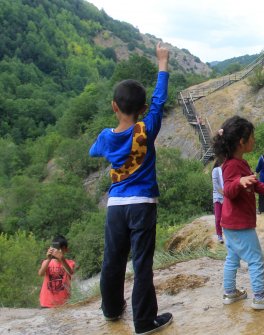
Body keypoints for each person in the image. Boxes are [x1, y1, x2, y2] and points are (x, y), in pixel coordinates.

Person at [89, 43, 173, 334]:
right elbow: (160, 99)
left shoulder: (105, 136)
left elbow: (93, 151)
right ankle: (144, 321)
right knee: (141, 264)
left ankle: (111, 310)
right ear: (143, 109)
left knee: (112, 260)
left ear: (114, 107)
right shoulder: (147, 128)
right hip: (143, 205)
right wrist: (162, 63)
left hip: (116, 206)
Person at [212, 115, 264, 310]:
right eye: (252, 137)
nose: (254, 140)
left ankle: (230, 293)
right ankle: (259, 297)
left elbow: (257, 186)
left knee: (232, 257)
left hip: (230, 222)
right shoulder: (232, 165)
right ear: (242, 142)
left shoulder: (241, 163)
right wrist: (239, 183)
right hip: (240, 223)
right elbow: (229, 192)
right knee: (256, 259)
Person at [38, 235, 75, 308]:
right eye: (57, 248)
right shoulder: (47, 262)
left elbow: (70, 272)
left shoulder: (70, 263)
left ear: (66, 249)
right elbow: (40, 273)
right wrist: (48, 258)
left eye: (62, 249)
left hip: (64, 302)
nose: (59, 251)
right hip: (46, 302)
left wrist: (62, 259)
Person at [212, 158, 224, 243]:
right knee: (218, 218)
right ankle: (219, 235)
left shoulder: (227, 169)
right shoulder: (215, 170)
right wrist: (224, 193)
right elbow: (215, 184)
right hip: (218, 197)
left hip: (227, 196)